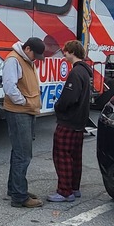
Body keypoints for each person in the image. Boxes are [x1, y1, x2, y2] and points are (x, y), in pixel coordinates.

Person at [3, 36, 45, 208]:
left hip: (24, 111)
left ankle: (15, 188)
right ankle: (19, 196)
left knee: (18, 152)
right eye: (35, 55)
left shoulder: (25, 59)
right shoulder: (14, 60)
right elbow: (9, 87)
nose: (36, 59)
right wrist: (25, 102)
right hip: (19, 111)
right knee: (23, 154)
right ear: (27, 49)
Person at [48, 40, 93, 202]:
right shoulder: (85, 72)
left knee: (62, 156)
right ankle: (74, 187)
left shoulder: (75, 73)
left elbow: (69, 98)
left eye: (65, 51)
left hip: (68, 121)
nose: (64, 54)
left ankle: (64, 191)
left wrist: (58, 106)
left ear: (72, 52)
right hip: (79, 121)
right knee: (75, 157)